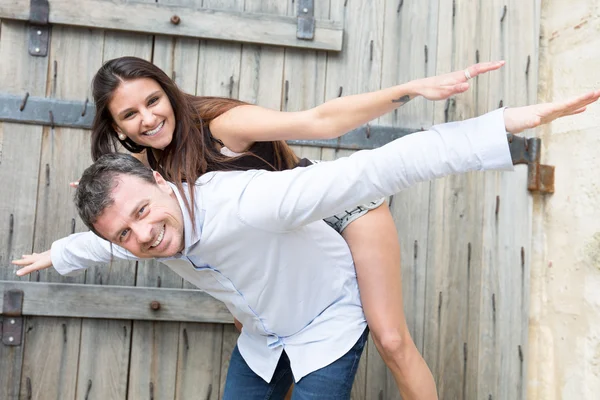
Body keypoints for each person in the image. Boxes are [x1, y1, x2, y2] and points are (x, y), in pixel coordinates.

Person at [13, 91, 599, 399]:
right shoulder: (139, 233)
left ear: (164, 183)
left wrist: (505, 123)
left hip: (326, 321)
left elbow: (386, 165)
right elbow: (101, 244)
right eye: (125, 234)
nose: (142, 236)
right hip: (266, 336)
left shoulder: (243, 199)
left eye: (142, 213)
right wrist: (57, 255)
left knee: (392, 342)